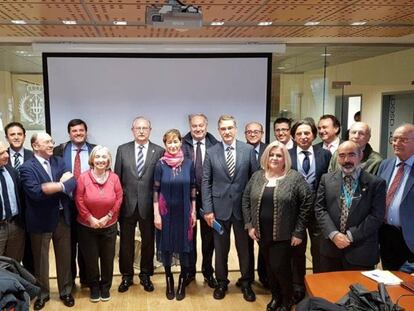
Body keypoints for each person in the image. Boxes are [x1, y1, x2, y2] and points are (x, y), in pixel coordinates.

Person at [242, 140, 312, 311]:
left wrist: (299, 231)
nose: (274, 158)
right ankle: (276, 297)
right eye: (271, 155)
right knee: (269, 268)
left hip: (284, 234)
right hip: (261, 232)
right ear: (266, 156)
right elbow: (245, 200)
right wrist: (250, 225)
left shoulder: (294, 177)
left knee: (280, 268)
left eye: (278, 155)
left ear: (285, 158)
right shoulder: (258, 176)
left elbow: (307, 203)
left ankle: (287, 300)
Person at [202, 115, 258, 302]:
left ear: (235, 129)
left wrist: (252, 210)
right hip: (219, 209)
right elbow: (206, 182)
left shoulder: (248, 150)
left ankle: (246, 282)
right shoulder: (211, 152)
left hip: (243, 210)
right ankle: (222, 282)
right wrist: (208, 210)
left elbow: (255, 180)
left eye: (229, 128)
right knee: (221, 248)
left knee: (245, 248)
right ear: (219, 131)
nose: (226, 132)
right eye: (223, 129)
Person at [20, 132, 76, 310]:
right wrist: (61, 185)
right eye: (47, 142)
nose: (52, 144)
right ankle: (42, 294)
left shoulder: (60, 161)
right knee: (41, 260)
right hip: (40, 220)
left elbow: (72, 182)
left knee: (65, 258)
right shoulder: (26, 167)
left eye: (52, 141)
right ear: (36, 146)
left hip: (62, 218)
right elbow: (35, 193)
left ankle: (65, 291)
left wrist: (54, 187)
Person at [315, 141, 386, 271]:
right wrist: (334, 234)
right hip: (331, 249)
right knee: (329, 290)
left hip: (360, 250)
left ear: (360, 156)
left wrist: (350, 236)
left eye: (351, 155)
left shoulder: (376, 183)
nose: (346, 160)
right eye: (341, 155)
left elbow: (376, 216)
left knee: (360, 290)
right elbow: (320, 209)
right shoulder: (326, 179)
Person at [115, 116, 164, 293]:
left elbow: (160, 180)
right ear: (132, 130)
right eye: (138, 128)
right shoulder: (122, 150)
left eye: (145, 128)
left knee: (148, 242)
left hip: (150, 205)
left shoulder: (159, 151)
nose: (141, 131)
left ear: (150, 130)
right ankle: (126, 276)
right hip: (127, 205)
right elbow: (117, 180)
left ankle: (145, 274)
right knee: (125, 243)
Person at [289, 119, 331, 303]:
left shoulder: (325, 154)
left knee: (319, 249)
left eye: (307, 133)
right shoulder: (287, 155)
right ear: (294, 136)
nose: (303, 137)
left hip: (318, 210)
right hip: (294, 210)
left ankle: (319, 284)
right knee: (296, 250)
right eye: (299, 133)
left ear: (313, 135)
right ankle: (298, 286)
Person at [75, 146, 122, 302]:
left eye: (104, 157)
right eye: (98, 157)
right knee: (91, 258)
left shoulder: (114, 178)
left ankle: (105, 286)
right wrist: (90, 219)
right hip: (87, 227)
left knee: (108, 259)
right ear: (92, 160)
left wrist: (107, 217)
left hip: (109, 226)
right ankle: (94, 286)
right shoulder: (83, 178)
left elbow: (119, 198)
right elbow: (79, 200)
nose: (101, 160)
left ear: (108, 160)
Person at [153, 129, 196, 301]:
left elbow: (193, 188)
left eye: (175, 142)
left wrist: (193, 211)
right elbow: (155, 190)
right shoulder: (160, 164)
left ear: (181, 143)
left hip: (185, 213)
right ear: (165, 145)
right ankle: (169, 278)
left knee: (185, 247)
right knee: (167, 246)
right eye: (169, 142)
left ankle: (181, 280)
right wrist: (156, 215)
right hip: (165, 213)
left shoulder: (188, 163)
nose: (173, 145)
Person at [54, 118, 95, 287]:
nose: (78, 133)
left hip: (88, 205)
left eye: (81, 130)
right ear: (69, 133)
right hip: (67, 205)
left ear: (86, 132)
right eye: (74, 131)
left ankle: (86, 280)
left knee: (87, 244)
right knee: (67, 246)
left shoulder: (95, 150)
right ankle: (69, 282)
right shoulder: (59, 150)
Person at [182, 113, 218, 288]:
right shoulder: (181, 144)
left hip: (208, 199)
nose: (197, 129)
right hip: (187, 199)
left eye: (201, 125)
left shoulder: (215, 145)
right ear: (190, 126)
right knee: (189, 238)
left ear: (206, 125)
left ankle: (207, 270)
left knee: (208, 238)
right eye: (194, 126)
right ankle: (189, 271)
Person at [378, 123, 414, 270]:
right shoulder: (385, 165)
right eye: (394, 139)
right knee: (389, 277)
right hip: (386, 235)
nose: (397, 143)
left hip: (409, 237)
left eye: (403, 140)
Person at [4, 122, 34, 274]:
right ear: (7, 137)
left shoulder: (33, 155)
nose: (16, 137)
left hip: (31, 213)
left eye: (19, 134)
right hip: (11, 216)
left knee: (31, 254)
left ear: (24, 136)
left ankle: (31, 288)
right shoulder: (3, 157)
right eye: (12, 134)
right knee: (9, 258)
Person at [244, 121, 268, 287]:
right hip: (244, 204)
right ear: (245, 134)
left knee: (264, 243)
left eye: (256, 131)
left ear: (262, 133)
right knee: (246, 245)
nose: (252, 134)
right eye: (249, 132)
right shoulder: (240, 150)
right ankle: (247, 276)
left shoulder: (269, 150)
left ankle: (265, 277)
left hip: (263, 204)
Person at [0, 141, 25, 262]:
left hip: (15, 225)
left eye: (5, 151)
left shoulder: (12, 171)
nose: (6, 155)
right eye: (1, 153)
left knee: (14, 263)